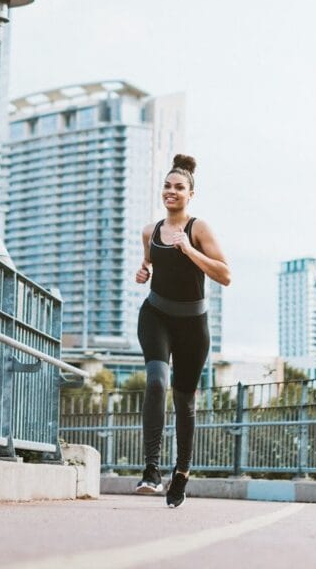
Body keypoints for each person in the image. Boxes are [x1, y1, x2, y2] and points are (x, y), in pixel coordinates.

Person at [132, 153, 231, 508]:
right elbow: (148, 265)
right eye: (167, 186)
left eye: (179, 188)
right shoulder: (150, 231)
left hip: (193, 324)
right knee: (157, 381)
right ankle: (151, 470)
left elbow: (225, 275)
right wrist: (142, 273)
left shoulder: (198, 229)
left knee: (184, 402)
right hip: (156, 314)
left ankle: (182, 473)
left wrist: (190, 251)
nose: (171, 192)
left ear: (190, 193)